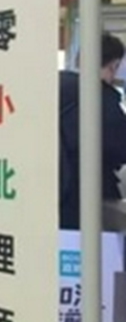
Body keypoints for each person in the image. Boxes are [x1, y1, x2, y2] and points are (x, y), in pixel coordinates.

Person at [59, 32, 126, 229]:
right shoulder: (101, 97)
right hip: (88, 199)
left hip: (53, 195)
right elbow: (121, 148)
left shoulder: (54, 88)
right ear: (113, 65)